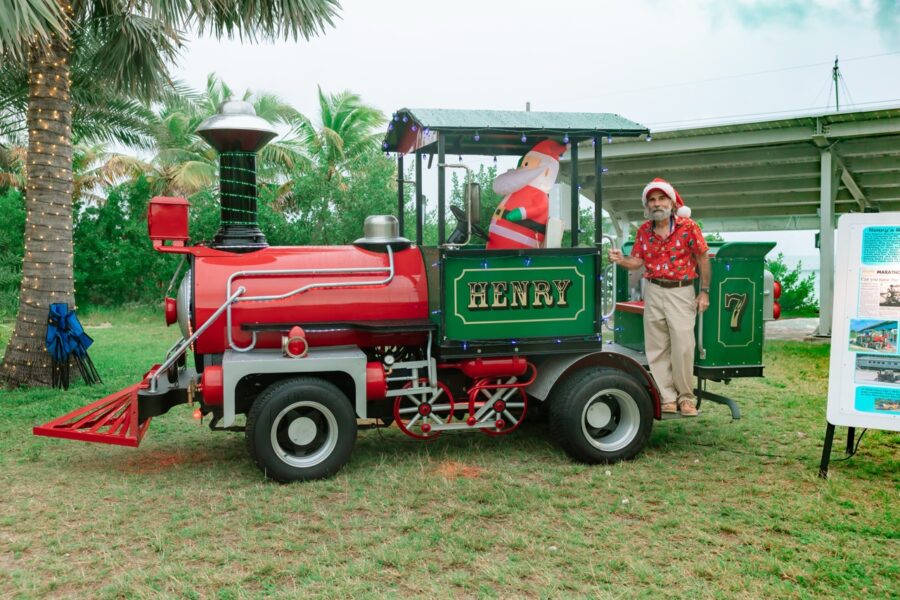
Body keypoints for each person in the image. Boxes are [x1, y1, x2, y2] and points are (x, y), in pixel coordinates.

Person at [608, 177, 710, 416]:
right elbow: (637, 262)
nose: (656, 204)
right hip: (653, 290)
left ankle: (686, 397)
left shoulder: (689, 227)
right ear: (647, 205)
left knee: (683, 346)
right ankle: (667, 397)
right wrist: (621, 260)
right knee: (656, 348)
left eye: (661, 198)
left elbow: (703, 257)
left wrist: (704, 292)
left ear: (671, 202)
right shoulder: (644, 230)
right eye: (651, 200)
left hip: (682, 291)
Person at [486, 140, 567, 249]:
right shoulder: (518, 188)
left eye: (527, 164)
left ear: (546, 171)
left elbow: (539, 207)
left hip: (519, 250)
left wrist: (522, 212)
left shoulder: (540, 195)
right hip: (495, 246)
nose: (523, 168)